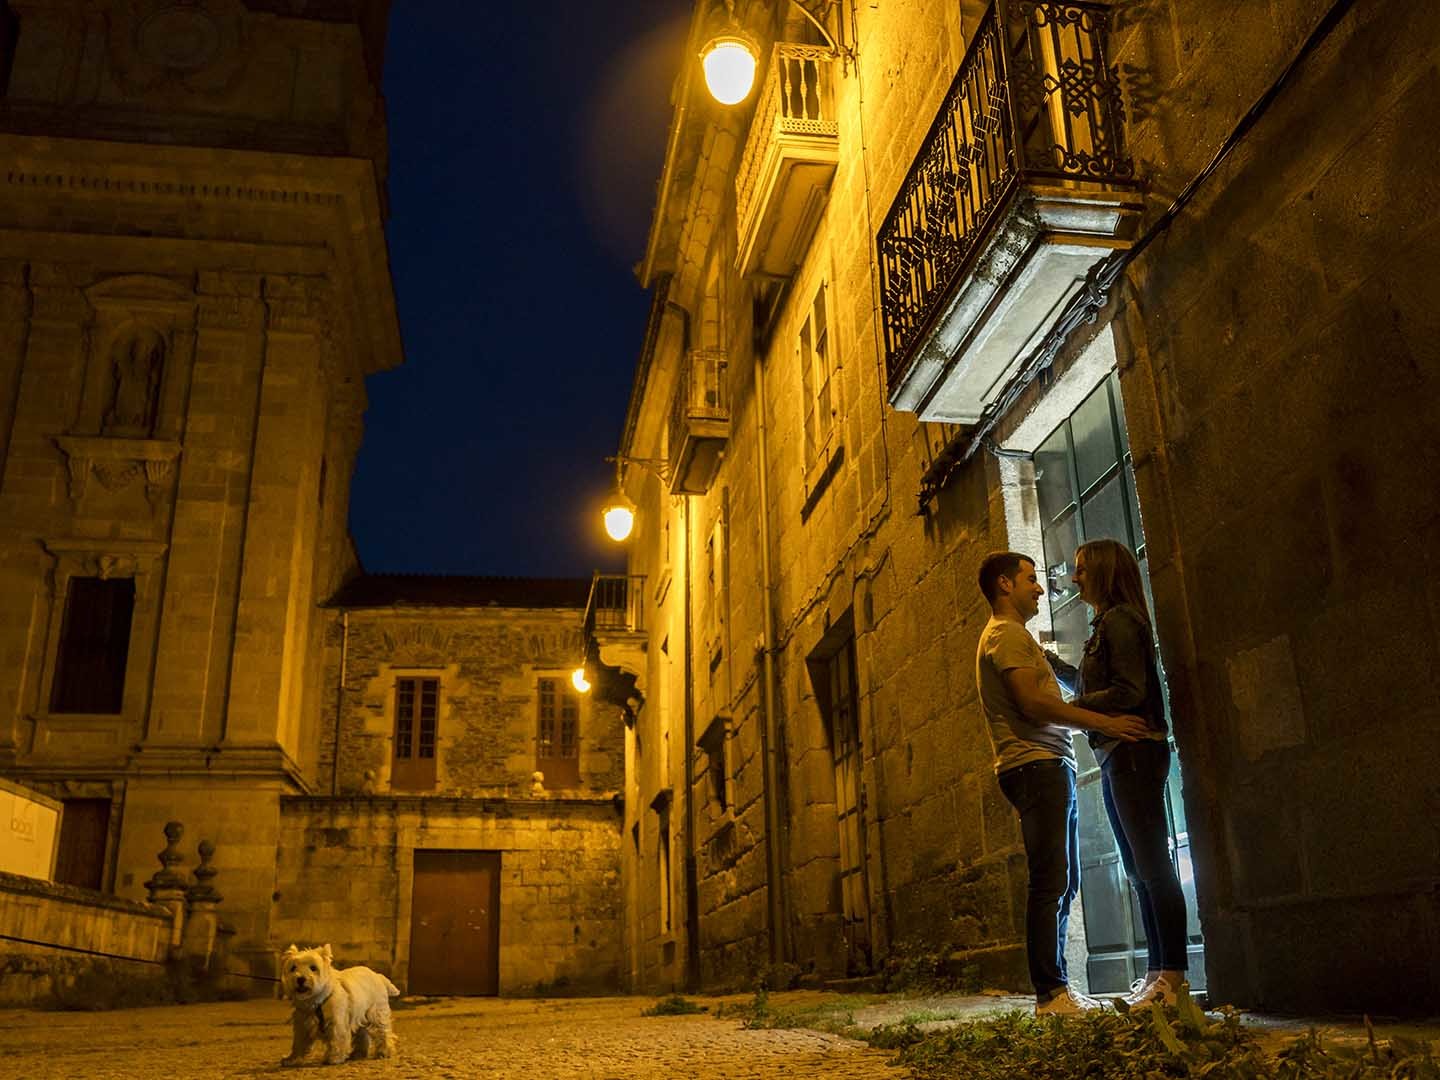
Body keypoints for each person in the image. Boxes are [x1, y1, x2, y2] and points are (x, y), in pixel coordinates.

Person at [974, 551, 1149, 1016]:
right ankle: (1049, 994)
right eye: (1030, 579)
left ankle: (1057, 991)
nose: (1040, 587)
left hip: (1048, 764)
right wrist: (1104, 722)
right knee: (1050, 882)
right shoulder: (1006, 636)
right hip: (1035, 766)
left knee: (1063, 881)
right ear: (1004, 585)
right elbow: (1034, 706)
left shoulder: (1015, 637)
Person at [1070, 538, 1191, 1007]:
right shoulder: (1106, 624)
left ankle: (1173, 976)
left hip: (1135, 753)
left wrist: (1072, 707)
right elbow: (1099, 685)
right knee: (1139, 868)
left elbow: (1128, 689)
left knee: (1153, 868)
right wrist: (1054, 671)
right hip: (1118, 754)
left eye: (1082, 569)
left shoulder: (1120, 621)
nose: (1075, 577)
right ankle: (1158, 971)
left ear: (1102, 571)